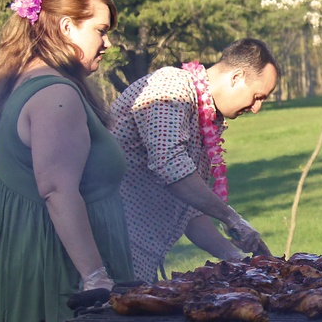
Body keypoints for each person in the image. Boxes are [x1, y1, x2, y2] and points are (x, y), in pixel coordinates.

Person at [0, 0, 135, 322]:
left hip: (51, 279)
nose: (108, 43)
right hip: (63, 286)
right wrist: (96, 279)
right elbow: (57, 190)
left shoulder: (35, 84)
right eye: (101, 30)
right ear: (67, 26)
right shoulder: (55, 95)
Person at [109, 38, 277, 283]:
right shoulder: (171, 86)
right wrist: (231, 218)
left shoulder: (206, 117)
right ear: (236, 77)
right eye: (257, 96)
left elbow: (190, 211)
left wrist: (237, 258)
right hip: (107, 247)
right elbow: (169, 165)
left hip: (139, 260)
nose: (256, 108)